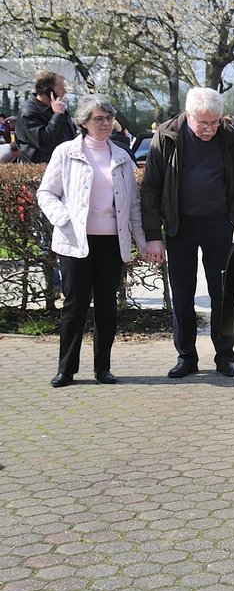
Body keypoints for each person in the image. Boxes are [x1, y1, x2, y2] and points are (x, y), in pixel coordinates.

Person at [140, 87, 234, 379]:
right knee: (182, 293)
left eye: (215, 122)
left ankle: (224, 355)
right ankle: (186, 357)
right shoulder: (167, 136)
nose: (210, 129)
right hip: (179, 225)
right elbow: (151, 187)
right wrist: (153, 232)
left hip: (218, 223)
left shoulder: (231, 137)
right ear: (188, 114)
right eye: (203, 122)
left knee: (222, 291)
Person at [36, 95, 146, 387]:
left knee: (107, 306)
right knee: (75, 305)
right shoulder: (66, 152)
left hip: (111, 242)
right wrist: (63, 218)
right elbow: (46, 193)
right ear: (83, 122)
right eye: (99, 118)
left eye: (109, 118)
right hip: (75, 241)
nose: (106, 123)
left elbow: (133, 204)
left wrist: (143, 241)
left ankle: (103, 368)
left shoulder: (122, 155)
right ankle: (66, 369)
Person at [14, 70, 77, 163]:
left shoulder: (57, 108)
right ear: (48, 90)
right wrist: (58, 116)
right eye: (60, 88)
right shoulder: (28, 112)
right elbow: (45, 143)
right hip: (42, 166)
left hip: (65, 161)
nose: (65, 91)